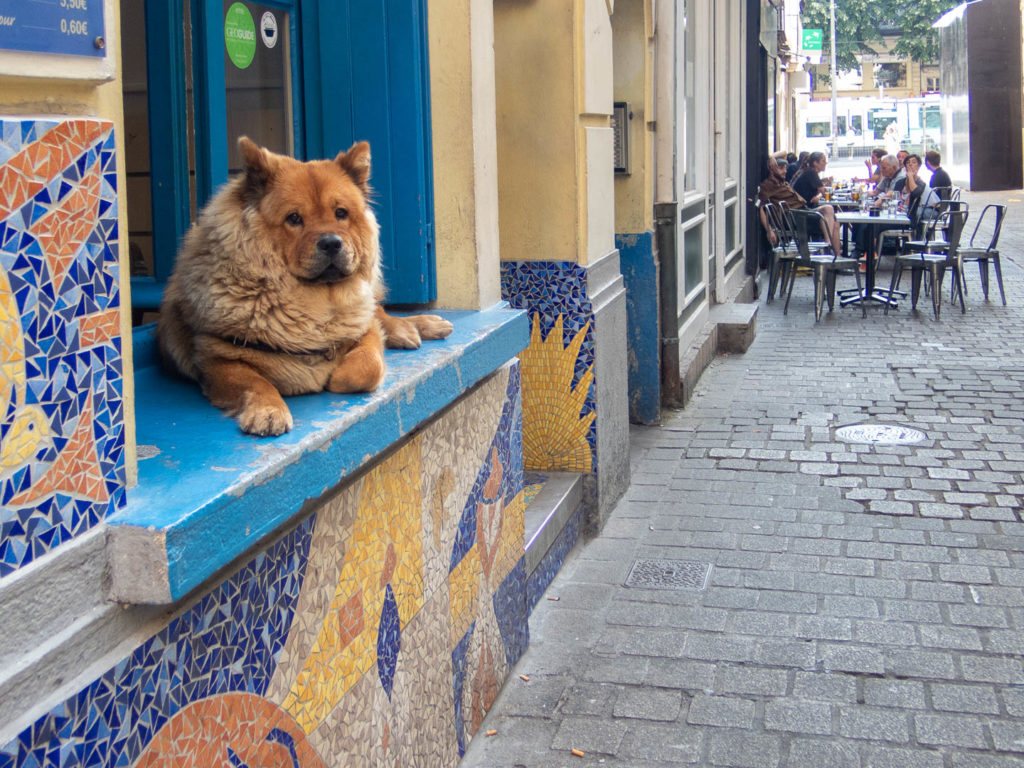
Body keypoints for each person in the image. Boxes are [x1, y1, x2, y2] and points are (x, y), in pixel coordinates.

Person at [758, 157, 840, 255]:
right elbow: (761, 208)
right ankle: (829, 251)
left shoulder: (783, 182)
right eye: (781, 168)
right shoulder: (768, 185)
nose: (785, 171)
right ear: (772, 170)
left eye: (785, 168)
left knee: (828, 208)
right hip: (794, 218)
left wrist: (772, 158)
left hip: (803, 211)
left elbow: (783, 153)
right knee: (833, 223)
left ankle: (829, 246)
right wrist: (769, 230)